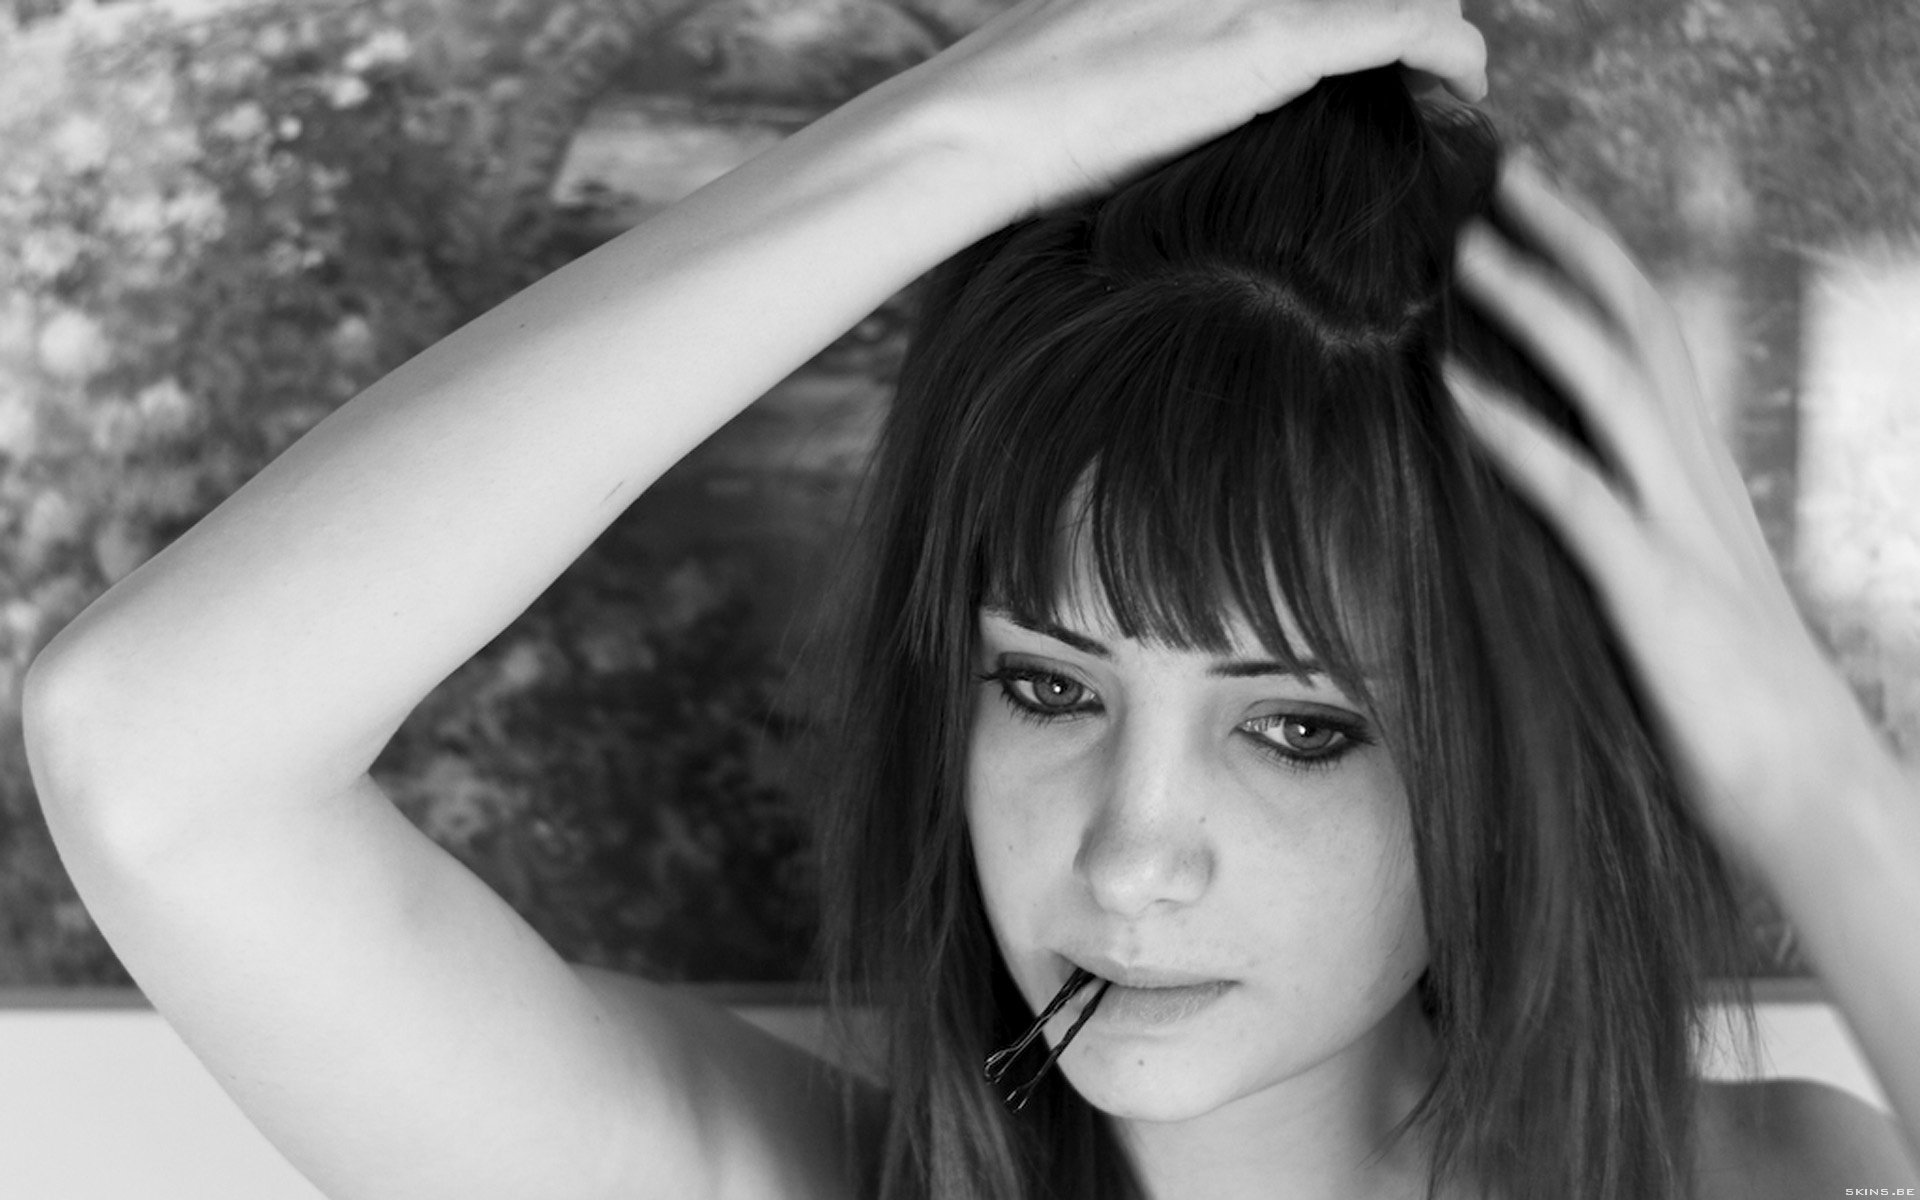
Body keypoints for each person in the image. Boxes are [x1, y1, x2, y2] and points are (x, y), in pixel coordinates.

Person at [19, 1, 1919, 1198]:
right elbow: (156, 755)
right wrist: (961, 137)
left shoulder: (1780, 1181)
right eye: (1051, 688)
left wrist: (1804, 776)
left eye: (1300, 726)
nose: (1132, 854)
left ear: (1502, 747)